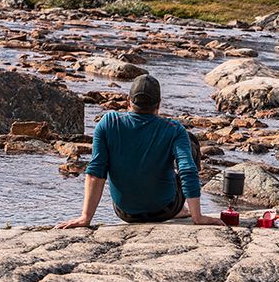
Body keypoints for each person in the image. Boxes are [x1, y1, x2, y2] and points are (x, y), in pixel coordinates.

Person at [56, 74, 222, 228]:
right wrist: (198, 217)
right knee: (189, 140)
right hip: (166, 209)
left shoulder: (108, 123)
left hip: (125, 213)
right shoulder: (174, 129)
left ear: (129, 101)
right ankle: (183, 210)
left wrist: (85, 218)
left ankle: (173, 207)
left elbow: (95, 172)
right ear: (159, 103)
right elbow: (187, 170)